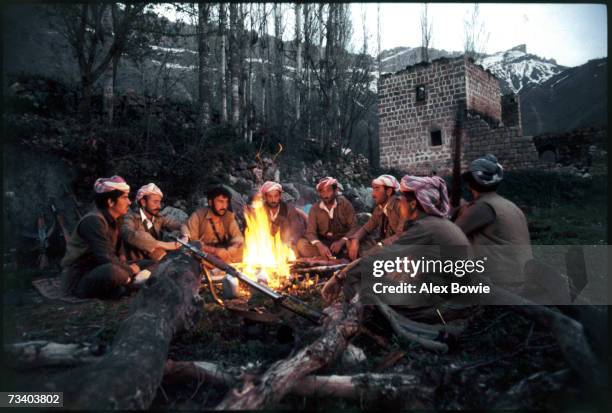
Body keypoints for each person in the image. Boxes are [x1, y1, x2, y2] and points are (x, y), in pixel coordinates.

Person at [322, 174, 472, 306]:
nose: (400, 204)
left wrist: (340, 276)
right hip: (449, 290)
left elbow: (384, 255)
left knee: (368, 291)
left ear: (413, 204)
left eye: (402, 201)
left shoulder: (423, 228)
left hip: (448, 301)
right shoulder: (432, 223)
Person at [61, 176, 149, 299]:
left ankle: (126, 285)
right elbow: (106, 258)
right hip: (81, 277)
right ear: (110, 202)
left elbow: (119, 251)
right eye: (124, 198)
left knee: (148, 263)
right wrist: (130, 269)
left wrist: (124, 260)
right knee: (112, 271)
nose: (129, 202)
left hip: (102, 267)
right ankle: (131, 284)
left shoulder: (115, 218)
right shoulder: (93, 221)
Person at [454, 154, 532, 290]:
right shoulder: (507, 204)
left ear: (472, 183)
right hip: (520, 275)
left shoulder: (482, 207)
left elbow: (450, 235)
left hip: (500, 282)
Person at [347, 174, 410, 260]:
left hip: (402, 248)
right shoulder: (379, 208)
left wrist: (381, 245)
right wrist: (355, 239)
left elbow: (403, 234)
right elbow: (367, 227)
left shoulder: (400, 205)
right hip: (387, 246)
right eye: (373, 189)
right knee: (352, 242)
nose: (373, 194)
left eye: (377, 189)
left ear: (388, 191)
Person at [121, 183, 189, 261]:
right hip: (136, 261)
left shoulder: (158, 217)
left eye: (159, 202)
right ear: (143, 202)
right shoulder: (130, 217)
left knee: (176, 234)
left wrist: (185, 236)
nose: (159, 206)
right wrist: (164, 245)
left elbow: (180, 225)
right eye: (155, 202)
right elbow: (128, 233)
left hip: (156, 259)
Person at [296, 177, 358, 259]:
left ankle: (334, 257)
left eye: (328, 190)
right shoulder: (315, 209)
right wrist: (320, 245)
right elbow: (310, 232)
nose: (325, 195)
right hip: (325, 243)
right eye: (322, 191)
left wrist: (341, 242)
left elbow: (354, 227)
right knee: (301, 244)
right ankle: (329, 257)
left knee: (355, 243)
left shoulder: (345, 204)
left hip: (343, 242)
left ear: (335, 191)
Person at [181, 186, 244, 263]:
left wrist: (234, 247)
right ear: (210, 202)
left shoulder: (229, 216)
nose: (224, 206)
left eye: (226, 202)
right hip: (204, 253)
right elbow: (194, 243)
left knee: (244, 249)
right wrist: (214, 251)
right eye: (220, 201)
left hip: (224, 252)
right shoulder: (198, 215)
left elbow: (237, 236)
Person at [259, 181, 307, 251]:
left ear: (280, 196)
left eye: (276, 196)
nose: (273, 200)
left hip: (288, 245)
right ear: (265, 197)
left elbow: (296, 229)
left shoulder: (289, 209)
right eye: (270, 196)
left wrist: (291, 240)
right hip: (267, 246)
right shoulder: (260, 212)